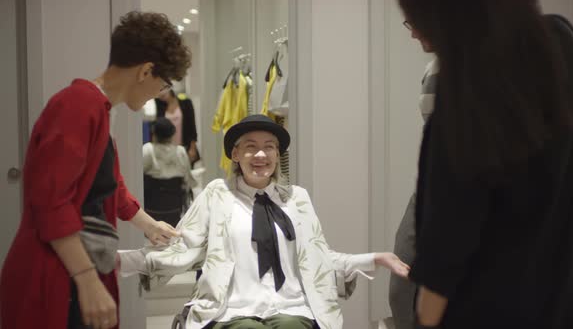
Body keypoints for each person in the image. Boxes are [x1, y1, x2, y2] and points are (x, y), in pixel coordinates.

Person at [396, 0, 573, 328]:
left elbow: (448, 245)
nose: (414, 33)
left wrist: (425, 321)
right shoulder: (562, 43)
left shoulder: (465, 89)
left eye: (415, 17)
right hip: (565, 294)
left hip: (485, 308)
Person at [119, 114, 411, 329]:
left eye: (269, 147)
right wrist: (122, 261)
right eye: (250, 146)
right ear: (235, 154)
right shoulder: (217, 195)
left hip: (291, 305)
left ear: (277, 154)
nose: (260, 154)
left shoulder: (297, 198)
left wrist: (375, 258)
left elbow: (319, 257)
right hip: (232, 308)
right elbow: (184, 248)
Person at [0, 11, 191, 329]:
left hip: (70, 267)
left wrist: (148, 225)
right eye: (163, 84)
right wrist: (88, 279)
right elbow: (51, 202)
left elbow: (108, 187)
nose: (158, 94)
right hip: (53, 273)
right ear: (146, 71)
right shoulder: (78, 105)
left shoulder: (99, 110)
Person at [388, 21, 438, 329]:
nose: (412, 32)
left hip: (456, 197)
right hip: (425, 193)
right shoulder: (435, 68)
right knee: (401, 290)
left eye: (417, 23)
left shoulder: (479, 68)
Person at [143, 117, 198, 226]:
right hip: (174, 208)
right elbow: (189, 180)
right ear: (172, 134)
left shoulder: (148, 149)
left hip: (151, 208)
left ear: (154, 133)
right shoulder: (180, 151)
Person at [155, 89, 200, 165]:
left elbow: (192, 126)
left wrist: (193, 147)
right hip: (167, 150)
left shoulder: (185, 103)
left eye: (163, 90)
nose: (161, 94)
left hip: (184, 146)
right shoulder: (160, 107)